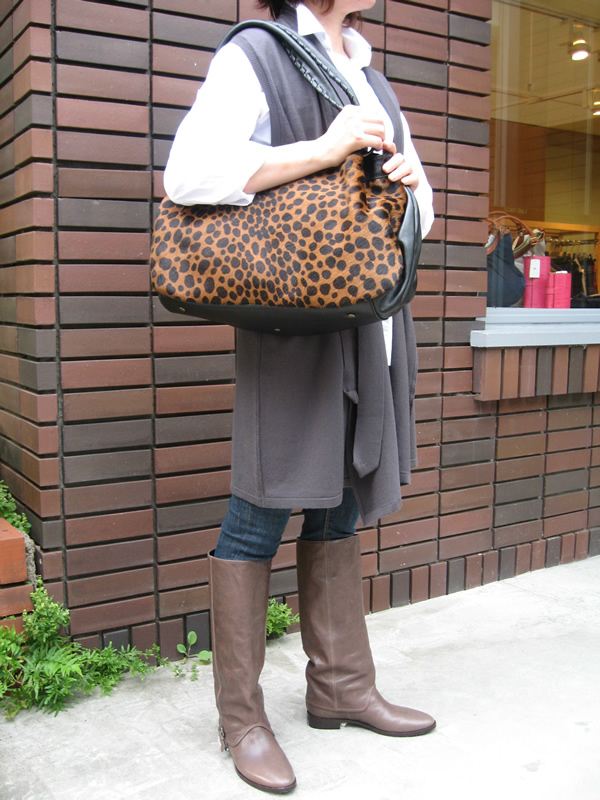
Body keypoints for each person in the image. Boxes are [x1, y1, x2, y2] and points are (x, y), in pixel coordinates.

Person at [164, 0, 436, 793]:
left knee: (340, 502)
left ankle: (340, 687)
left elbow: (417, 213)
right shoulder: (258, 55)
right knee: (259, 509)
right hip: (294, 328)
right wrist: (324, 148)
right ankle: (242, 720)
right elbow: (189, 175)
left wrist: (410, 190)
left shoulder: (371, 74)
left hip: (372, 327)